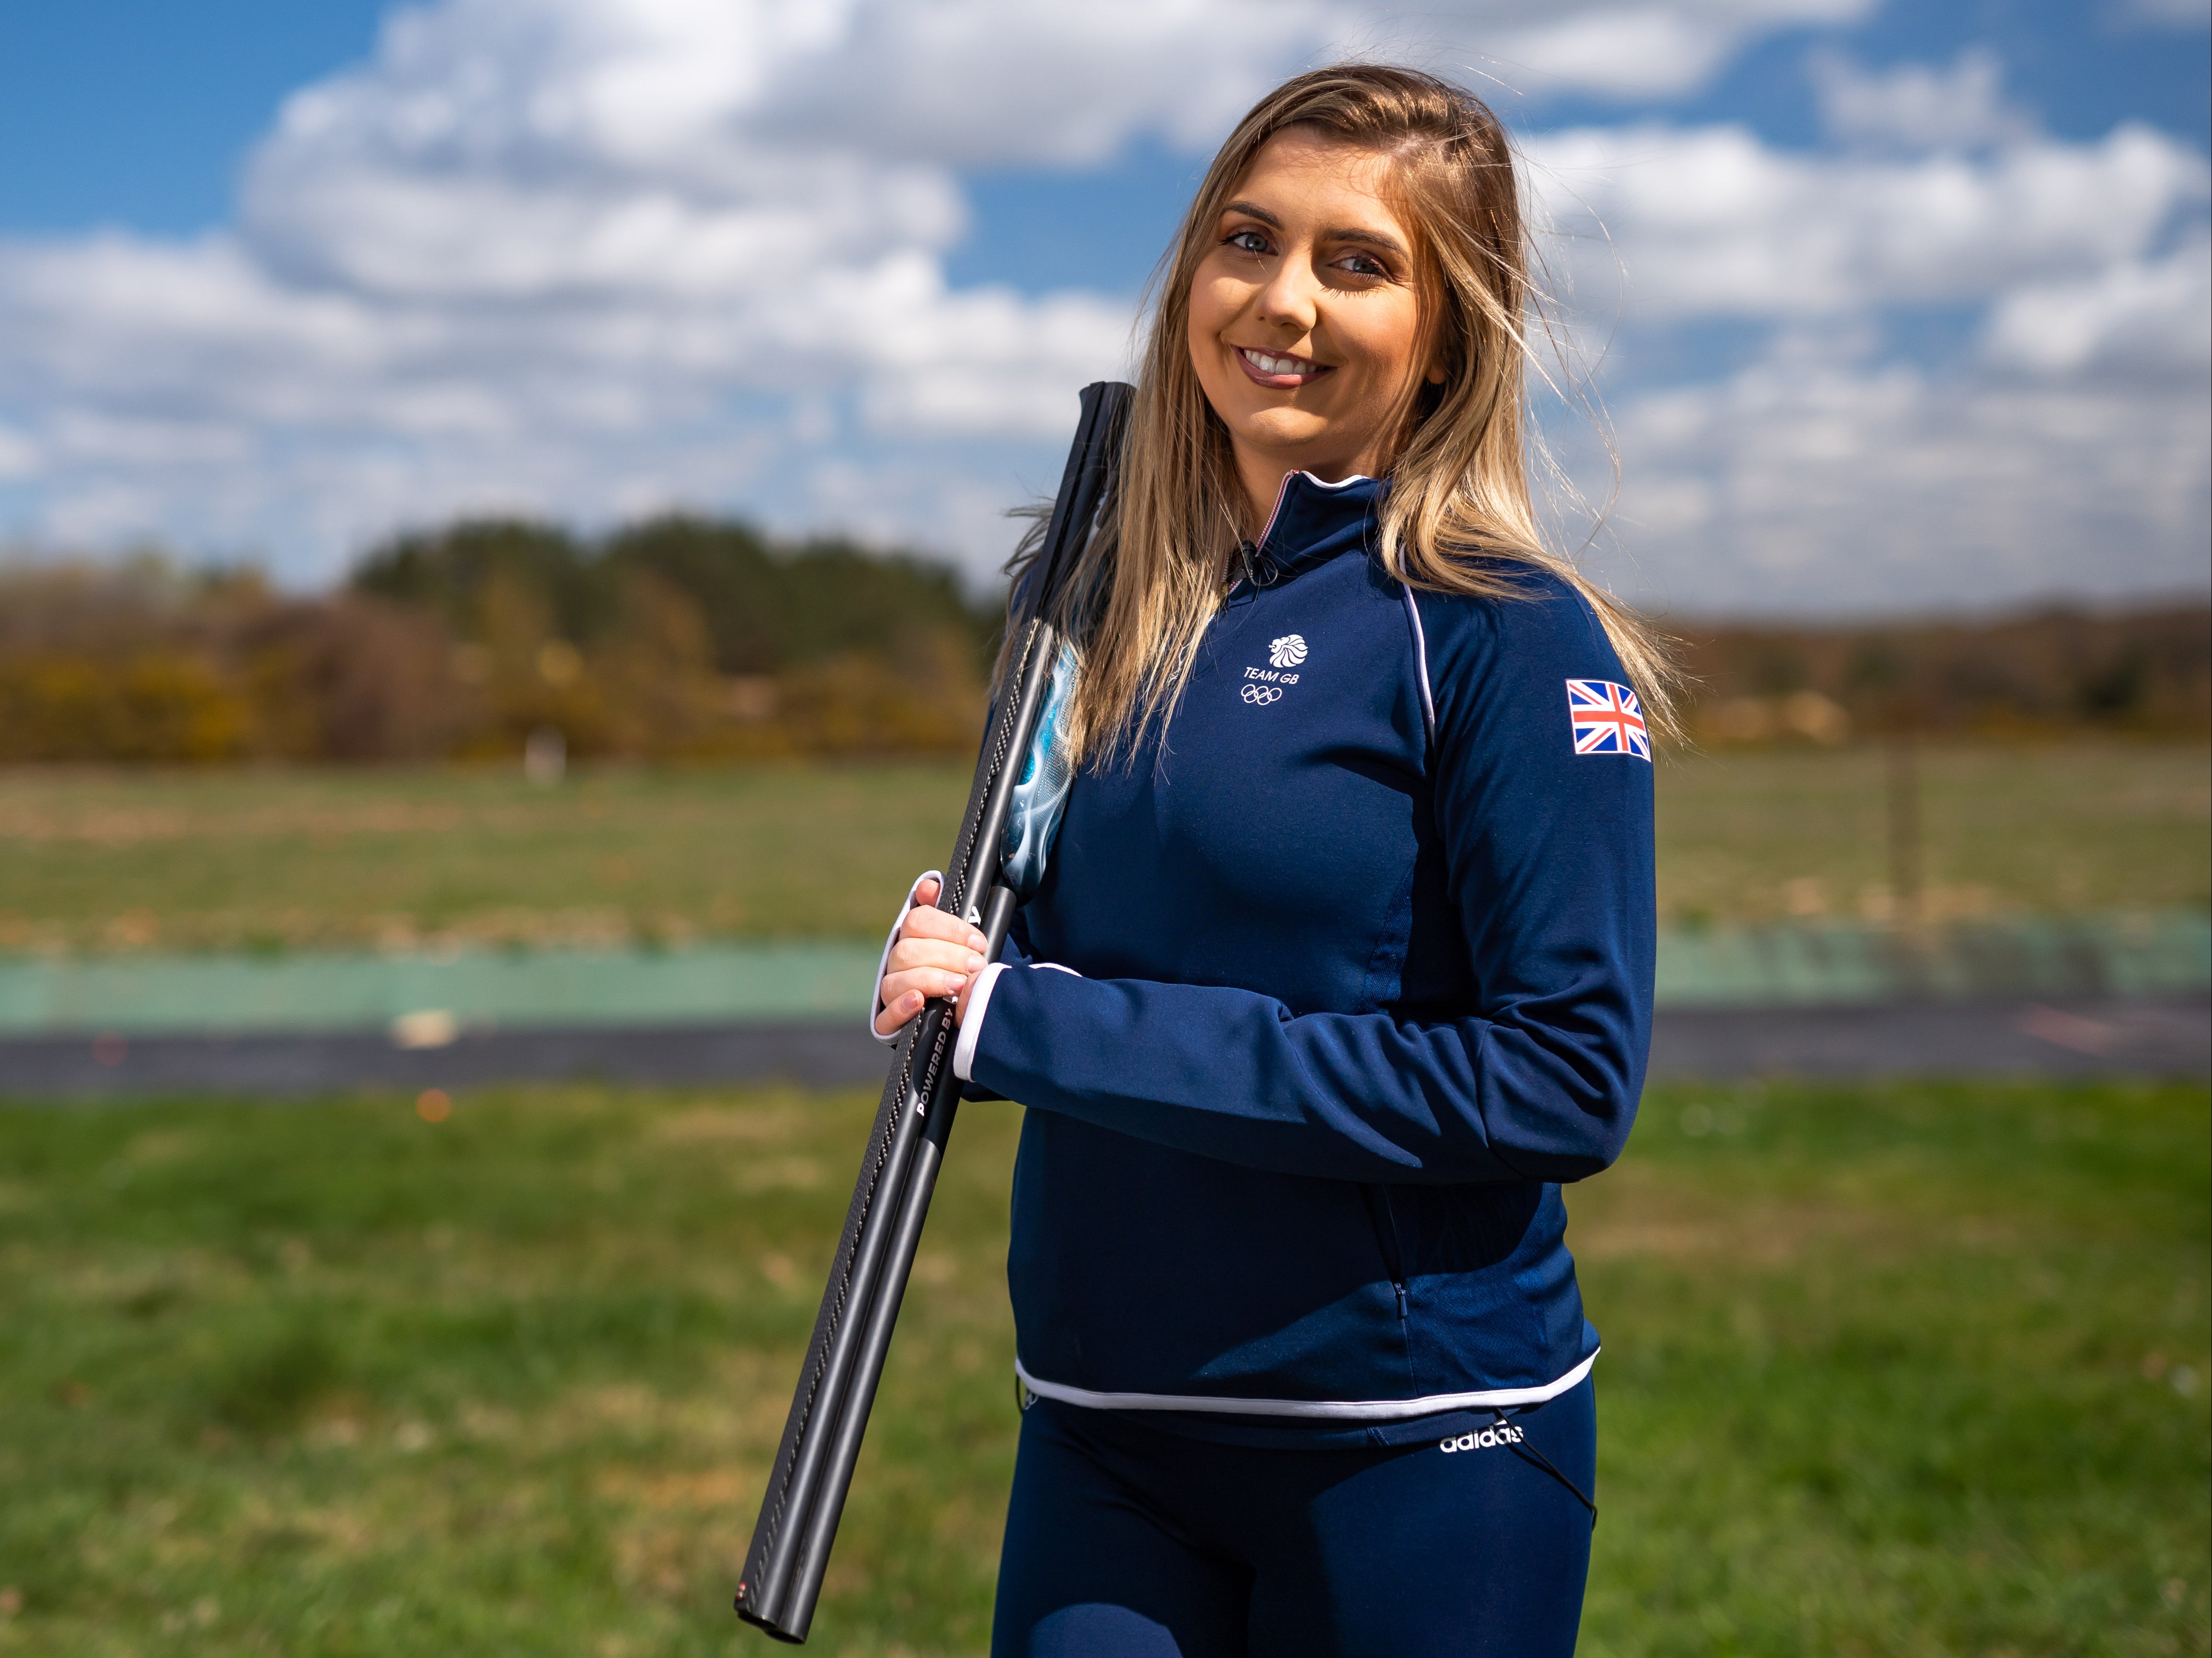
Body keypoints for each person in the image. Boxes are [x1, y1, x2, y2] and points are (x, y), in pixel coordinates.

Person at [872, 64, 1675, 1658]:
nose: (1282, 298)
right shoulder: (1082, 605)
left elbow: (1564, 1078)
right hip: (1102, 1420)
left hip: (1413, 1435)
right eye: (1248, 238)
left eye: (1357, 262)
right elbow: (1042, 934)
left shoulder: (1500, 634)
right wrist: (960, 960)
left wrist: (1033, 1023)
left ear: (1448, 326)